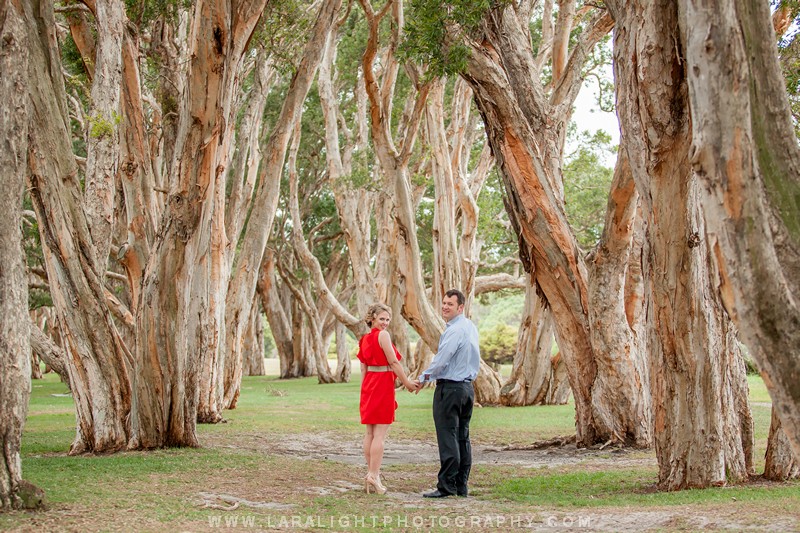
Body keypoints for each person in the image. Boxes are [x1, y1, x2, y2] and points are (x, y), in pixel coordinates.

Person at [416, 289, 481, 498]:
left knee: (448, 436)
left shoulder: (454, 330)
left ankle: (446, 486)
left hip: (451, 388)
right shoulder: (470, 327)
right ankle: (461, 485)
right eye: (443, 303)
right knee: (463, 436)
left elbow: (442, 360)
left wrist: (423, 378)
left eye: (450, 304)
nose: (445, 307)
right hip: (467, 388)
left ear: (460, 307)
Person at [357, 303, 417, 494]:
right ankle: (373, 476)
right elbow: (393, 362)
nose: (385, 323)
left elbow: (363, 369)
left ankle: (372, 474)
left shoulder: (364, 339)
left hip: (369, 385)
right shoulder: (383, 336)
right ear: (372, 318)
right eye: (382, 319)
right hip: (382, 383)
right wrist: (407, 382)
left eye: (388, 319)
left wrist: (364, 391)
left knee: (370, 433)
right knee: (379, 434)